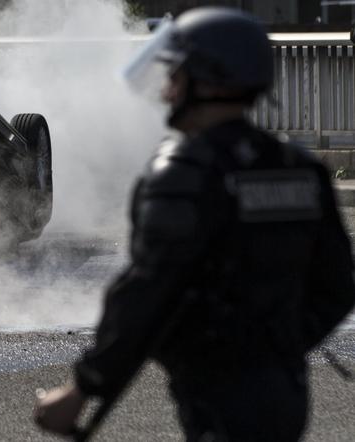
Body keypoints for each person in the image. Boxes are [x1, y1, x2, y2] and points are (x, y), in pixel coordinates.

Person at [34, 7, 355, 441]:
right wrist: (280, 345)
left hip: (218, 395)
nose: (167, 91)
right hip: (286, 392)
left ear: (208, 80)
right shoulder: (298, 167)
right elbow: (337, 285)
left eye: (177, 75)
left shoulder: (185, 172)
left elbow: (144, 293)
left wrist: (81, 389)